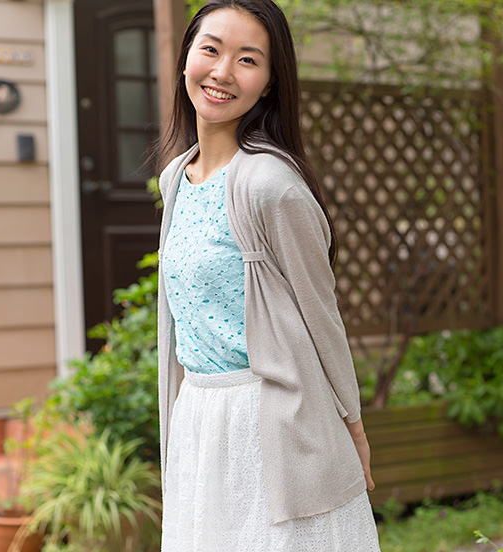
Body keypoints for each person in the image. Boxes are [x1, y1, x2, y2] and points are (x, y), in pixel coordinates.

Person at [155, 1, 381, 550]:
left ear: (270, 83)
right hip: (198, 420)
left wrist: (350, 423)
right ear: (186, 55)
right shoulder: (174, 181)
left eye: (247, 59)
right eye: (210, 49)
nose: (222, 72)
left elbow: (319, 311)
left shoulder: (270, 185)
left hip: (268, 421)